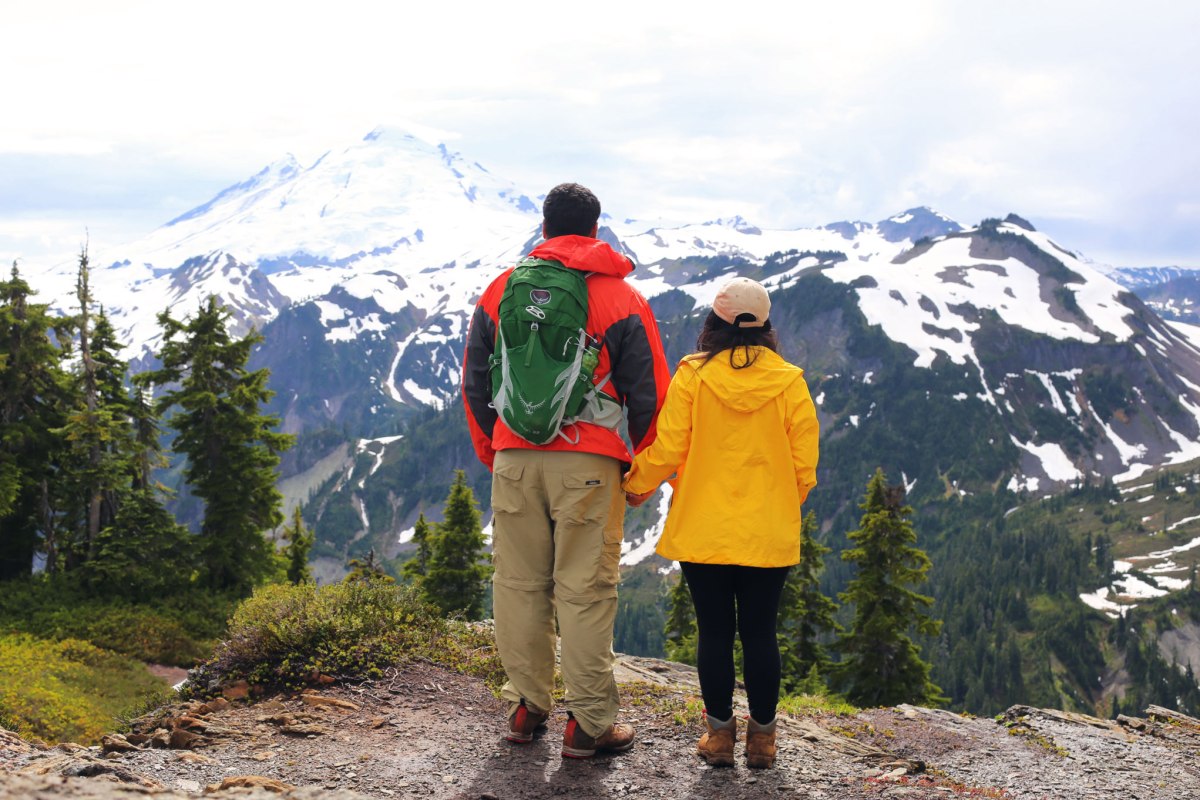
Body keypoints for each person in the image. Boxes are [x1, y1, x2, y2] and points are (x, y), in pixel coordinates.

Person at [462, 182, 670, 758]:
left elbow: (476, 382)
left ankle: (527, 709)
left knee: (519, 584)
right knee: (585, 591)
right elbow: (651, 395)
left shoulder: (502, 290)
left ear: (545, 227)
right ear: (595, 229)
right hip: (588, 460)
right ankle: (590, 725)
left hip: (514, 457)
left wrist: (497, 451)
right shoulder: (622, 299)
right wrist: (642, 474)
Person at [621, 276, 819, 769]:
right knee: (760, 633)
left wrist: (634, 485)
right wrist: (776, 505)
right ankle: (764, 742)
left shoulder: (694, 375)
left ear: (714, 323)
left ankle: (720, 739)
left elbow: (667, 448)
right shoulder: (790, 381)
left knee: (713, 634)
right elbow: (805, 467)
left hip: (705, 531)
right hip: (767, 533)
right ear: (766, 326)